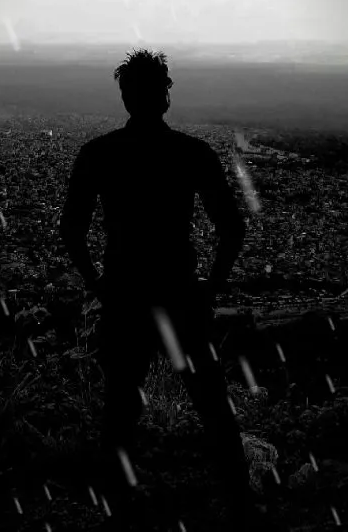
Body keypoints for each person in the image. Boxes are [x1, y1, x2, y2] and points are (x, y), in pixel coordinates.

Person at [60, 48, 270, 530]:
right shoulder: (191, 153)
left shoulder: (100, 153)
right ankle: (240, 505)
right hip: (180, 296)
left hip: (125, 297)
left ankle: (121, 506)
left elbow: (71, 230)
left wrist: (98, 284)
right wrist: (209, 290)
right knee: (213, 408)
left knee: (120, 409)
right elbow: (232, 228)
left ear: (124, 97)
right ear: (166, 97)